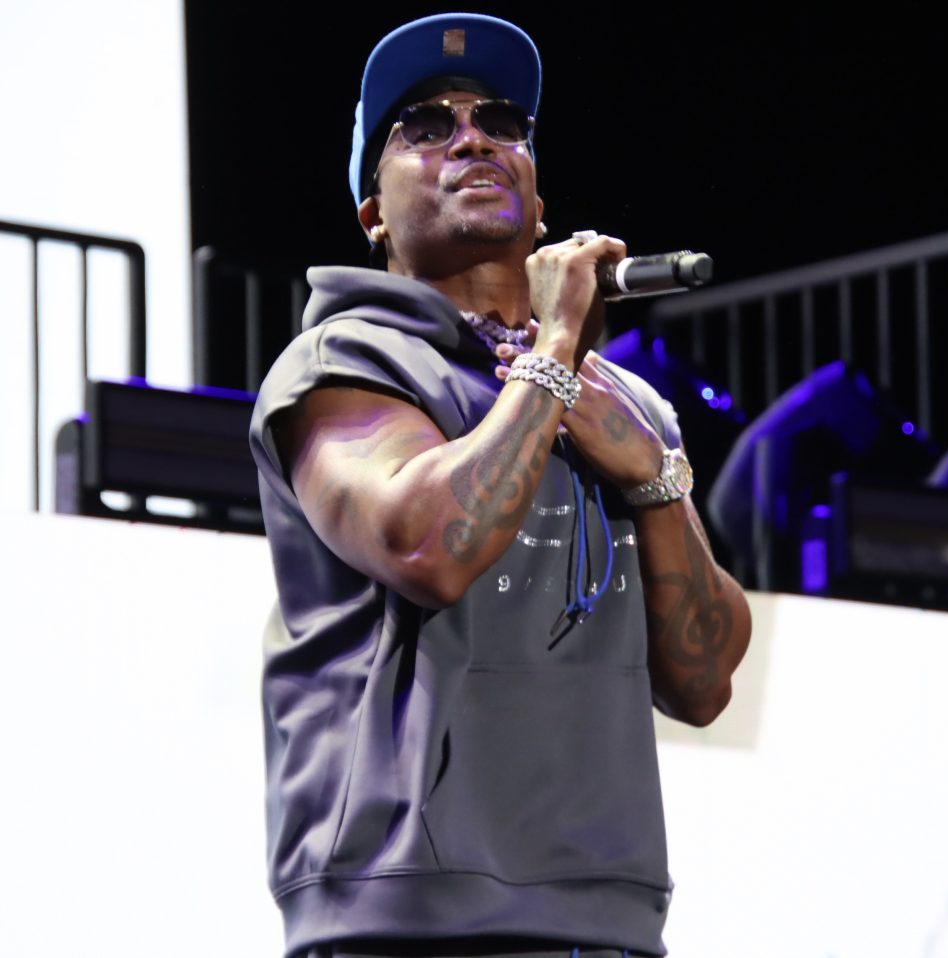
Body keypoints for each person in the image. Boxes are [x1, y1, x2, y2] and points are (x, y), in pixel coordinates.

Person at [248, 13, 752, 958]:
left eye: (501, 122)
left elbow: (704, 682)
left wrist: (655, 475)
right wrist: (554, 351)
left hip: (605, 915)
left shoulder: (628, 408)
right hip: (405, 917)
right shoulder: (341, 364)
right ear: (372, 213)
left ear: (538, 194)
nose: (472, 137)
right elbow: (425, 545)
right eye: (424, 126)